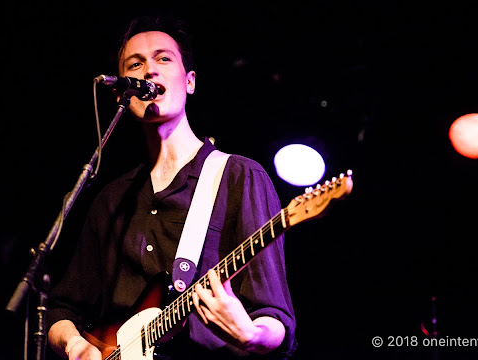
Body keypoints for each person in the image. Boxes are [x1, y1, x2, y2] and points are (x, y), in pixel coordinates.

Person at [47, 16, 296, 360]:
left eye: (164, 59)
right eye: (135, 64)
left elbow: (276, 317)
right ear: (122, 91)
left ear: (190, 81)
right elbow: (62, 309)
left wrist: (252, 334)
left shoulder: (239, 176)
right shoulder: (110, 200)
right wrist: (75, 345)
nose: (149, 70)